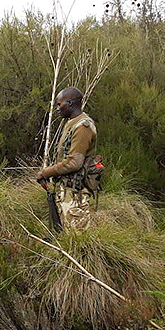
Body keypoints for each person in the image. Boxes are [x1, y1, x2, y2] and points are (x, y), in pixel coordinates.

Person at [37, 87, 98, 229]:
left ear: (70, 103)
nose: (57, 108)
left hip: (76, 192)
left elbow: (74, 163)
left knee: (77, 237)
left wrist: (46, 172)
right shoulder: (71, 123)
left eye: (59, 104)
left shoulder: (83, 126)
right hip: (67, 190)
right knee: (64, 234)